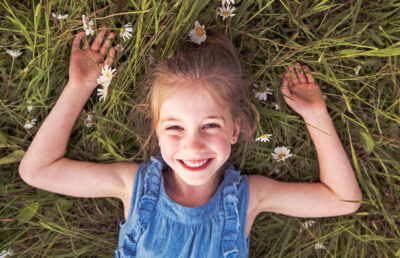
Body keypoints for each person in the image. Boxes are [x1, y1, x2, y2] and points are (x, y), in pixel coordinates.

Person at [19, 25, 362, 257]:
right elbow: (39, 170)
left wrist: (316, 116)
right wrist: (78, 87)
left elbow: (342, 200)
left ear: (235, 130)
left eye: (210, 125)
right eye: (175, 128)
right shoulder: (133, 187)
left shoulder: (248, 197)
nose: (193, 145)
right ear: (155, 132)